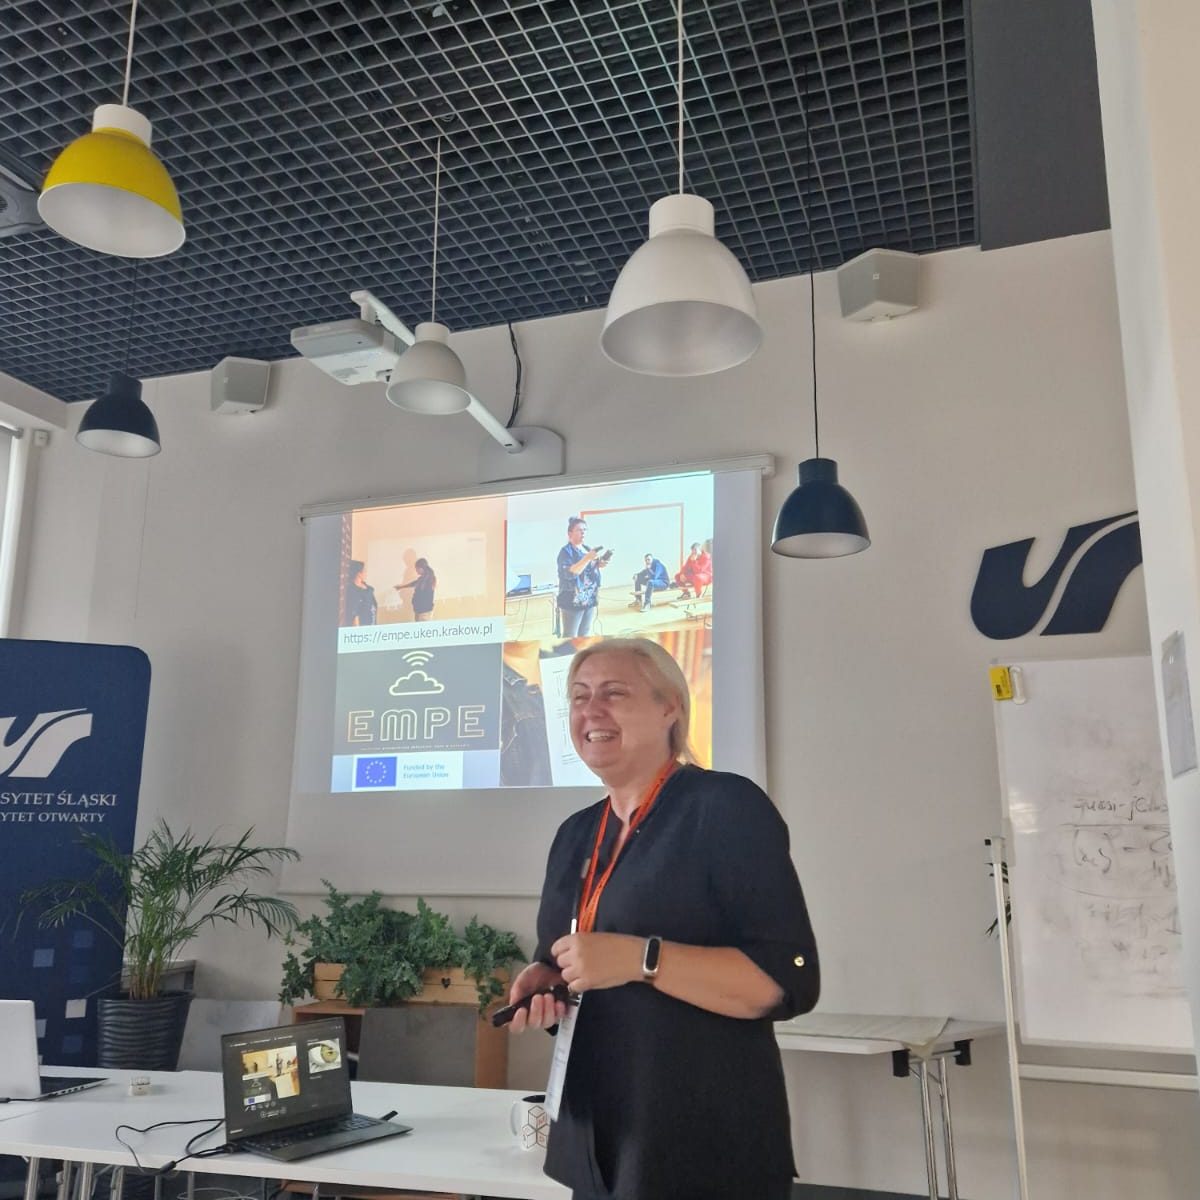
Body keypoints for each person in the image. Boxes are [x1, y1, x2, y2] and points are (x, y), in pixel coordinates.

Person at [507, 638, 819, 1200]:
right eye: (578, 697)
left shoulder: (724, 807)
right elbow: (567, 962)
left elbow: (786, 980)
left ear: (669, 707)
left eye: (613, 693)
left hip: (701, 1147)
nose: (590, 711)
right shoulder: (575, 834)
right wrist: (547, 983)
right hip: (596, 1140)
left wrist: (641, 959)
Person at [556, 517, 612, 637]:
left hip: (589, 598)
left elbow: (589, 568)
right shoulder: (565, 552)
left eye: (585, 530)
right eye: (579, 530)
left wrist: (599, 564)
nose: (583, 533)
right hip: (572, 601)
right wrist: (587, 558)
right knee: (570, 636)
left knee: (585, 635)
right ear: (570, 533)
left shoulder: (587, 549)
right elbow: (571, 572)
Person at [396, 557, 437, 621]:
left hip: (424, 612)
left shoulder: (429, 579)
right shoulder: (422, 579)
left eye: (416, 569)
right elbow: (414, 583)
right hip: (419, 610)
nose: (416, 570)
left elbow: (423, 595)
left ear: (421, 568)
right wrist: (401, 587)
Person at [344, 560, 376, 626]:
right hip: (363, 628)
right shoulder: (352, 590)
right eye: (364, 571)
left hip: (372, 624)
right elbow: (355, 614)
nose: (366, 573)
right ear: (359, 573)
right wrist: (358, 631)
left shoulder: (368, 588)